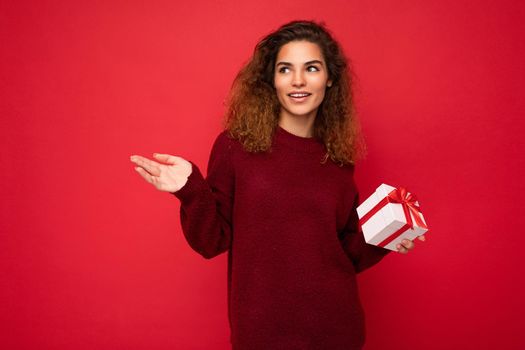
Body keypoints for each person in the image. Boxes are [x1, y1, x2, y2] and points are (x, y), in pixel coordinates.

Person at [130, 20, 425, 350]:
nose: (298, 80)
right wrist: (189, 188)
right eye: (286, 69)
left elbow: (343, 254)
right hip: (262, 334)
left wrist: (386, 238)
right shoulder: (235, 147)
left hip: (337, 331)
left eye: (311, 68)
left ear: (329, 79)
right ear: (271, 79)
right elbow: (211, 242)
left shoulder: (339, 160)